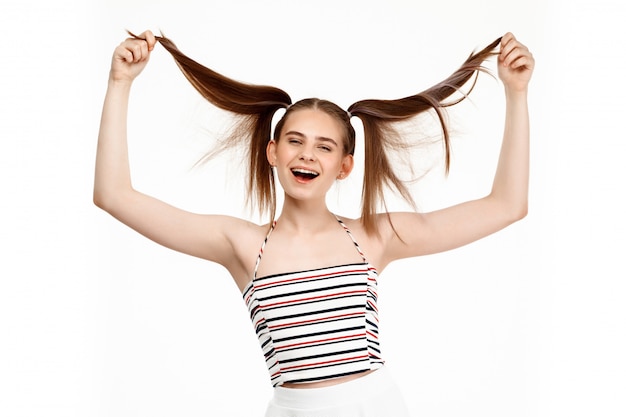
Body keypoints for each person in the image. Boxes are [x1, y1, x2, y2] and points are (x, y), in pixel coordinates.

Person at [94, 29, 534, 417]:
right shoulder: (242, 245)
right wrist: (119, 83)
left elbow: (506, 205)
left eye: (324, 147)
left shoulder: (372, 237)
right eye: (295, 141)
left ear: (344, 166)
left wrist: (516, 93)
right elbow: (113, 195)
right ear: (273, 153)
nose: (307, 154)